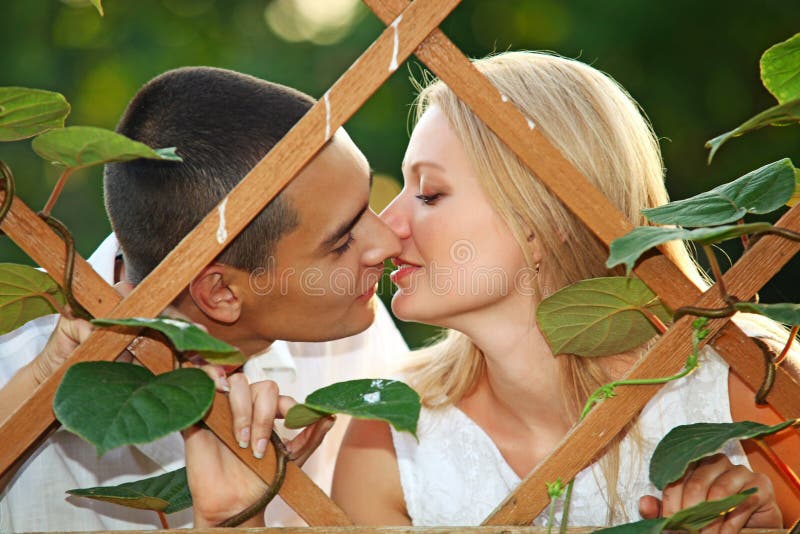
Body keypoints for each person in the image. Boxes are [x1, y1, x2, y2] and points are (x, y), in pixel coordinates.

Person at [329, 51, 800, 528]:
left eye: (429, 193)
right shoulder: (390, 437)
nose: (387, 228)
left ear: (545, 216)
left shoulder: (749, 384)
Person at [0, 66, 408, 531]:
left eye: (368, 201)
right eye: (341, 241)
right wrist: (35, 391)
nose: (390, 242)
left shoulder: (352, 338)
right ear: (220, 292)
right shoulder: (13, 355)